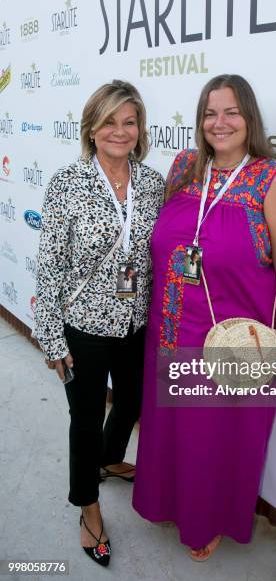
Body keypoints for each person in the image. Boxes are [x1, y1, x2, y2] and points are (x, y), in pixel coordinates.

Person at [132, 74, 276, 560]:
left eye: (231, 112)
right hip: (169, 329)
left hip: (230, 343)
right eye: (210, 113)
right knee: (171, 431)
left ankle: (206, 520)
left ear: (249, 118)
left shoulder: (274, 181)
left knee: (212, 443)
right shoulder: (185, 167)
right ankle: (166, 501)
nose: (219, 122)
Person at [34, 80, 164, 567]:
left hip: (135, 322)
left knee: (130, 399)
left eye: (129, 121)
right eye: (109, 121)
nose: (120, 131)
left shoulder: (152, 183)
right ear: (91, 128)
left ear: (140, 128)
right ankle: (87, 504)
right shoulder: (67, 184)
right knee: (84, 418)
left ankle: (110, 459)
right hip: (83, 327)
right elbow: (49, 267)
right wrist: (50, 335)